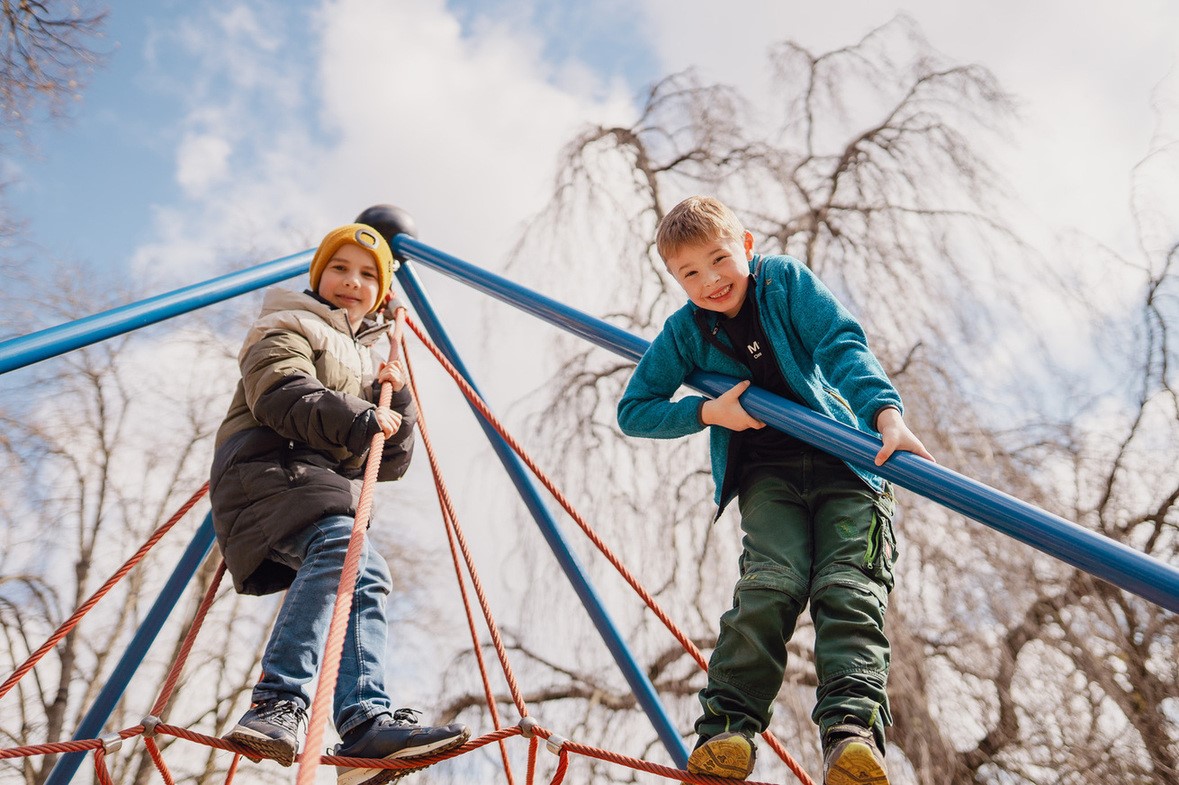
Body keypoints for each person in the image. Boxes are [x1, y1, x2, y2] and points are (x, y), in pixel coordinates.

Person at [617, 197, 934, 784]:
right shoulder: (685, 332)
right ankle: (727, 734)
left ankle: (852, 735)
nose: (710, 280)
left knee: (848, 588)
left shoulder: (784, 282)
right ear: (673, 278)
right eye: (690, 272)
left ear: (747, 244)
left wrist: (884, 414)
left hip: (846, 466)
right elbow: (635, 410)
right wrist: (709, 413)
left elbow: (840, 342)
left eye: (719, 260)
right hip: (770, 478)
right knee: (771, 585)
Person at [209, 223, 470, 784]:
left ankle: (363, 723)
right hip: (263, 469)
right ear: (318, 276)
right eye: (339, 268)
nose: (352, 281)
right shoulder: (287, 322)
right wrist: (358, 416)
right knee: (340, 544)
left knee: (367, 572)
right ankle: (277, 704)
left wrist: (393, 397)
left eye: (368, 275)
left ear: (382, 292)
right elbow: (281, 392)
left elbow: (386, 461)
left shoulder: (367, 357)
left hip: (311, 479)